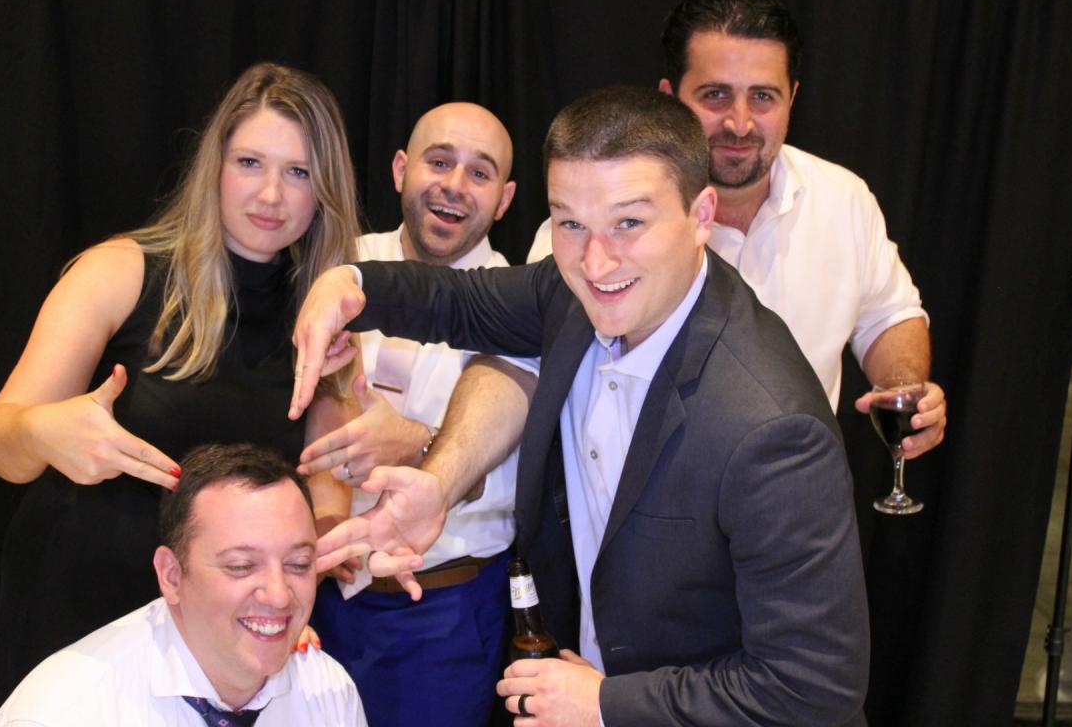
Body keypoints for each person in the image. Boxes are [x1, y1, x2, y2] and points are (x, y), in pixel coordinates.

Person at [292, 85, 870, 725]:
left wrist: (603, 705)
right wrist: (349, 285)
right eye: (570, 223)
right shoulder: (569, 291)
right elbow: (459, 301)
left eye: (629, 223)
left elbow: (812, 687)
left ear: (701, 214)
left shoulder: (773, 428)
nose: (596, 262)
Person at [0, 62, 363, 706]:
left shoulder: (325, 317)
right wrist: (44, 431)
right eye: (250, 163)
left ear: (325, 190)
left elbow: (326, 491)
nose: (271, 194)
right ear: (215, 166)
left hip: (223, 630)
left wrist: (291, 591)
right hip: (80, 604)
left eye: (298, 172)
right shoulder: (119, 272)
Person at [522, 0, 946, 450]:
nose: (739, 123)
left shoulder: (844, 200)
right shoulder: (588, 226)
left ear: (792, 98)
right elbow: (522, 362)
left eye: (762, 96)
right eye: (715, 95)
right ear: (668, 99)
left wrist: (903, 389)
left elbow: (889, 316)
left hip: (795, 479)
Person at [294, 102, 520, 726]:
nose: (454, 185)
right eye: (439, 161)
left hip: (441, 611)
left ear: (505, 200)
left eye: (480, 173)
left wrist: (419, 444)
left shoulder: (520, 304)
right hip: (320, 594)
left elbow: (527, 475)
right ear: (400, 169)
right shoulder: (334, 267)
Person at [0, 443, 369, 726]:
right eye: (241, 566)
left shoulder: (326, 692)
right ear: (171, 575)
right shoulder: (64, 713)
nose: (279, 594)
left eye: (298, 564)